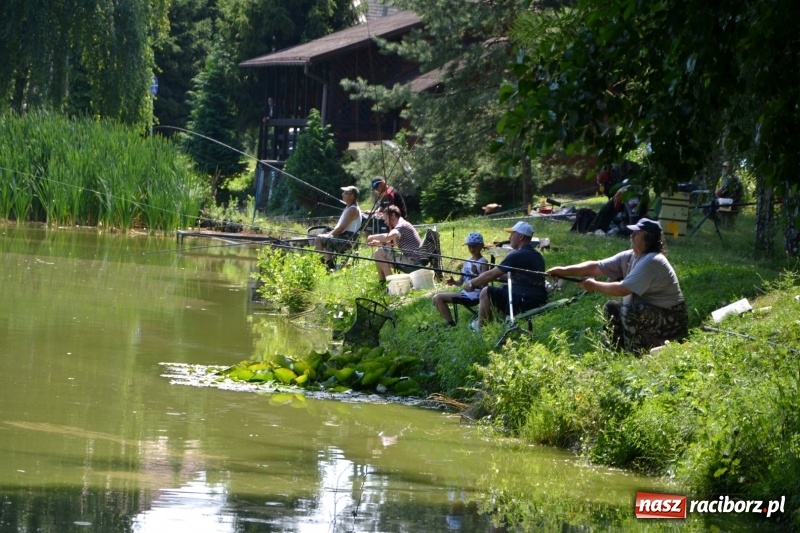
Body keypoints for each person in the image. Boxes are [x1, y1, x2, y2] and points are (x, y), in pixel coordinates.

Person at [547, 218, 688, 353]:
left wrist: (594, 285)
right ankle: (614, 350)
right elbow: (596, 267)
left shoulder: (653, 261)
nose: (631, 235)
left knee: (629, 311)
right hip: (652, 314)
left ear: (648, 237)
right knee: (612, 307)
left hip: (673, 320)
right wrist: (564, 271)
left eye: (636, 233)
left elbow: (622, 289)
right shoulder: (629, 256)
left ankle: (636, 354)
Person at [461, 221, 548, 330]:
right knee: (502, 288)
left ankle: (480, 328)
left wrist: (471, 283)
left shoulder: (517, 254)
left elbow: (492, 274)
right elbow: (516, 277)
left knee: (486, 291)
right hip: (538, 299)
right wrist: (496, 276)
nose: (510, 237)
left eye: (512, 234)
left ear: (520, 236)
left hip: (526, 300)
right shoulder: (536, 254)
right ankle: (494, 320)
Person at [432, 232, 490, 326]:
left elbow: (485, 285)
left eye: (474, 246)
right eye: (469, 246)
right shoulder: (467, 262)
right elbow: (460, 282)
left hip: (475, 296)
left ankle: (450, 325)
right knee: (435, 299)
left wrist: (476, 274)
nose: (472, 249)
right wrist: (454, 281)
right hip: (464, 293)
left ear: (481, 246)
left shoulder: (483, 262)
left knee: (438, 298)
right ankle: (450, 323)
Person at [366, 205, 421, 283]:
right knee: (378, 252)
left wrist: (371, 237)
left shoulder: (401, 225)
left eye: (385, 219)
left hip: (413, 262)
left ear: (393, 215)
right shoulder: (401, 224)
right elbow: (393, 242)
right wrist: (379, 243)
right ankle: (382, 282)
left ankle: (391, 283)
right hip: (413, 259)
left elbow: (389, 237)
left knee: (379, 253)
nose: (385, 222)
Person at [314, 186, 362, 270]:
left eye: (346, 193)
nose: (342, 194)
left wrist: (329, 235)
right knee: (324, 236)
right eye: (343, 192)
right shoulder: (349, 207)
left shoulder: (352, 209)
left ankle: (322, 267)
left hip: (348, 241)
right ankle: (329, 266)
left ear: (352, 196)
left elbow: (341, 229)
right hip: (344, 237)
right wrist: (329, 234)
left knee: (319, 238)